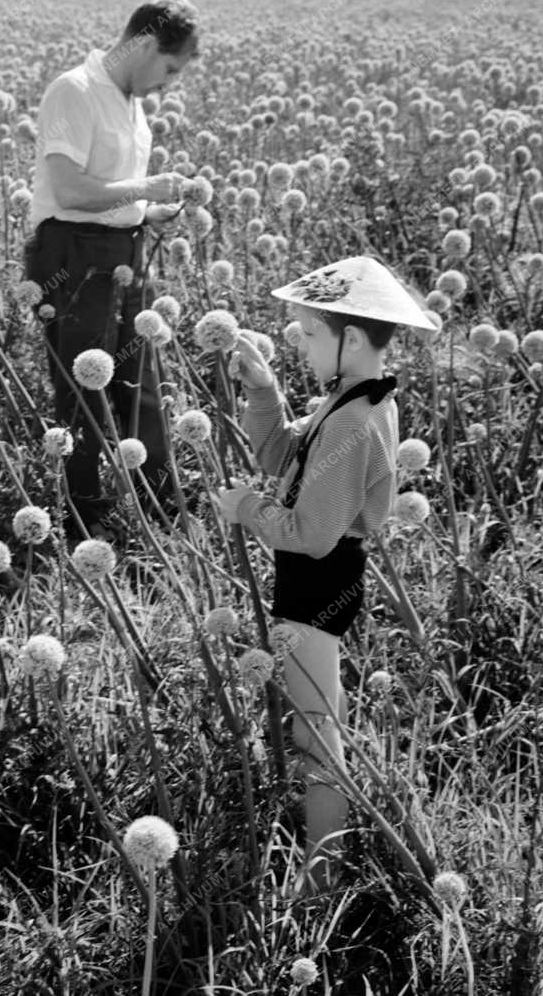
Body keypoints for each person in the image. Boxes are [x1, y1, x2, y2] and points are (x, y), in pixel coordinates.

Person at [215, 255, 437, 892]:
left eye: (311, 333)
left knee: (316, 735)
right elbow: (286, 455)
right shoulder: (353, 399)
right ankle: (327, 858)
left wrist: (247, 508)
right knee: (321, 716)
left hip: (318, 581)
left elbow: (311, 534)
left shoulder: (355, 419)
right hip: (321, 577)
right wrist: (263, 392)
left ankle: (321, 880)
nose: (303, 344)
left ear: (355, 340)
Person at [24, 0, 200, 540]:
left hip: (120, 251)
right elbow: (70, 189)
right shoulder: (74, 90)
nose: (167, 84)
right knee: (83, 389)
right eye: (169, 68)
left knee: (142, 380)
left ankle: (160, 510)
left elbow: (111, 193)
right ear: (145, 44)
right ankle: (84, 520)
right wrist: (146, 188)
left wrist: (149, 211)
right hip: (70, 255)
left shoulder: (131, 102)